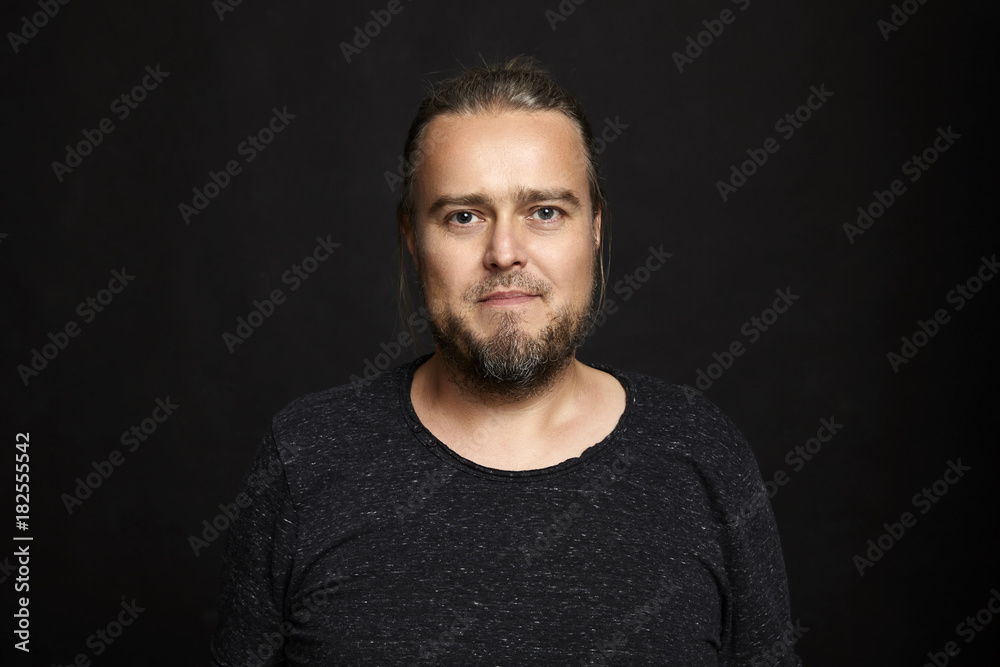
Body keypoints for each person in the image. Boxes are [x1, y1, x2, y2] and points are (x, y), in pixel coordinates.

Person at [210, 55, 802, 666]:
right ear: (412, 238)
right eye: (464, 216)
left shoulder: (702, 455)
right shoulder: (306, 459)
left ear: (594, 229)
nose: (505, 253)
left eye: (545, 212)